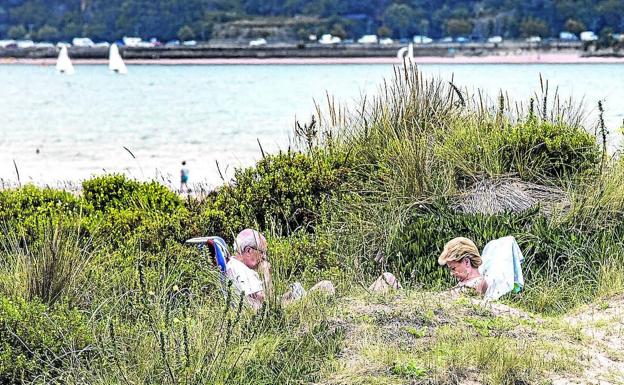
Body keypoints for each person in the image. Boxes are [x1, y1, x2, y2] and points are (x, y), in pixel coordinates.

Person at [225, 228, 402, 309]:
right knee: (326, 287)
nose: (263, 257)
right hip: (287, 315)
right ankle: (384, 298)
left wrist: (287, 296)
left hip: (285, 309)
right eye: (262, 252)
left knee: (322, 287)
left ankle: (382, 295)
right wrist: (266, 275)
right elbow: (271, 306)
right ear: (248, 251)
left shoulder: (235, 267)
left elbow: (262, 300)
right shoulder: (240, 270)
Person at [438, 236, 525, 301]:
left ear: (467, 262)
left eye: (453, 268)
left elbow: (455, 295)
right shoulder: (470, 281)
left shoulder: (478, 282)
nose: (452, 273)